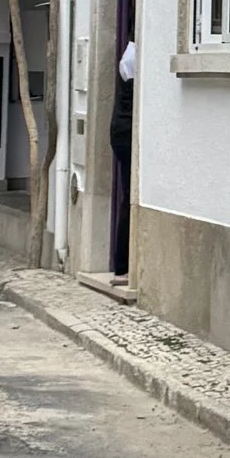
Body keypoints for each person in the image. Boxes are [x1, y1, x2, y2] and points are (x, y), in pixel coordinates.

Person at [109, 32, 137, 277]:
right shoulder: (134, 57)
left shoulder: (130, 54)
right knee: (129, 196)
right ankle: (122, 264)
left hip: (121, 132)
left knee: (128, 195)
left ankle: (122, 263)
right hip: (127, 133)